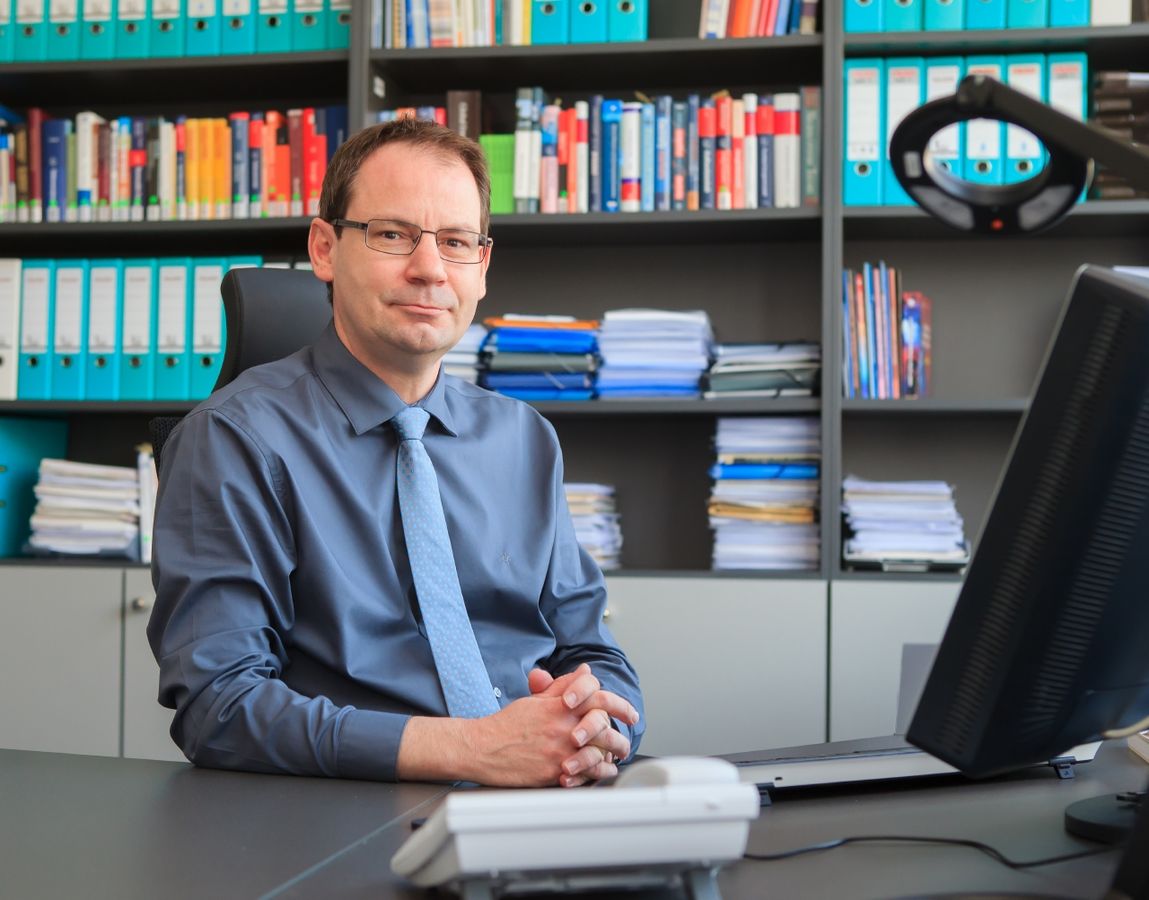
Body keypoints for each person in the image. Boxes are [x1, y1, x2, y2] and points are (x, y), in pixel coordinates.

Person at [148, 118, 644, 787]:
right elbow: (221, 705)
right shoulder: (236, 438)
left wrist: (595, 730)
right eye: (392, 234)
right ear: (324, 249)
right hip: (347, 818)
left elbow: (589, 650)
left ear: (482, 266)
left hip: (543, 798)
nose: (429, 269)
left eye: (456, 241)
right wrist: (472, 749)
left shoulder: (523, 438)